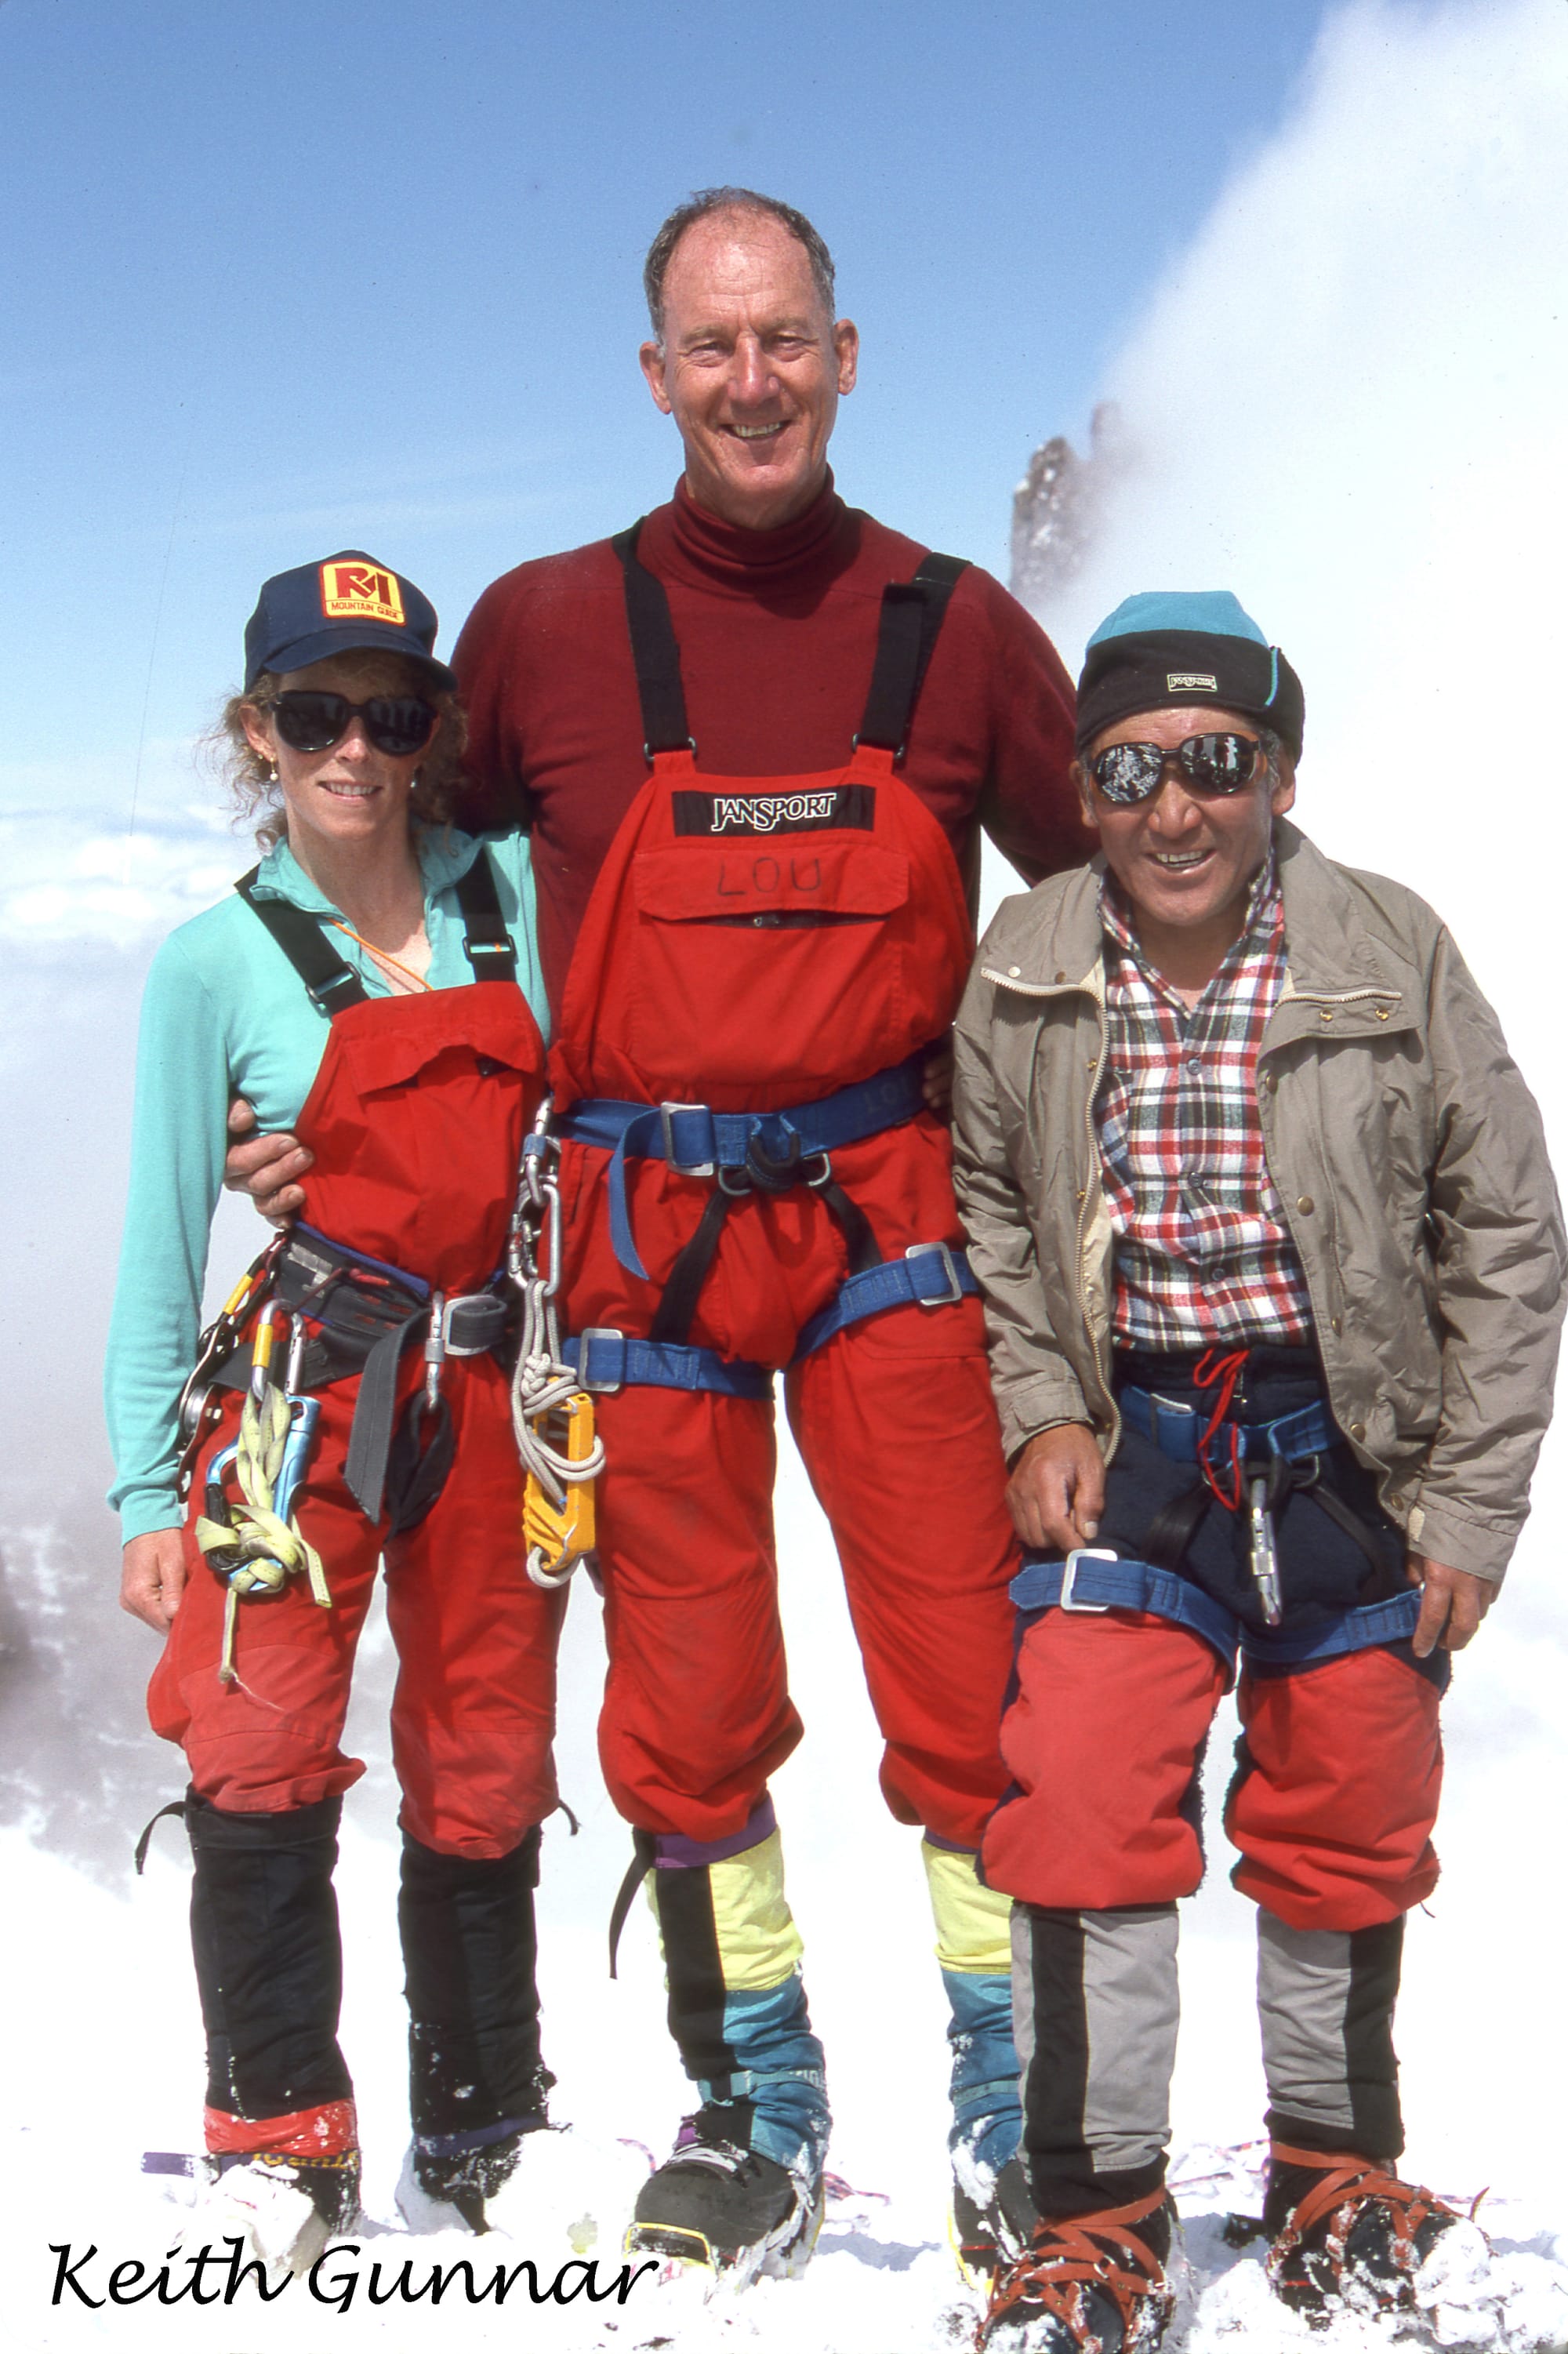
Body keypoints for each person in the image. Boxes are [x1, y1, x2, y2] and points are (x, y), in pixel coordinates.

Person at [224, 188, 1083, 2282]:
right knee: (686, 1705)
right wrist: (293, 1099)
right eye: (713, 345)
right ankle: (759, 2098)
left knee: (972, 1679)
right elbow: (407, 887)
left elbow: (1108, 893)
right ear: (655, 373)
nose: (752, 381)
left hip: (890, 1222)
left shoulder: (957, 626)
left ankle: (1017, 2100)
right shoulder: (541, 630)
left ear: (845, 357)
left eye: (785, 339)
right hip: (638, 1239)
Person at [951, 590, 1566, 2350]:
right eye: (1130, 768)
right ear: (1083, 786)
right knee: (1078, 1795)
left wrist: (1469, 1507)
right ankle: (1096, 2216)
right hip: (1132, 1436)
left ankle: (1331, 2174)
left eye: (1216, 761)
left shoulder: (1389, 944)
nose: (1175, 807)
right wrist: (1037, 1409)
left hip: (1349, 1443)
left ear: (1280, 773)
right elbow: (993, 1203)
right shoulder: (1026, 955)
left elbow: (1507, 1232)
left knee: (1351, 1801)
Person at [106, 553, 564, 2269]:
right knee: (256, 1736)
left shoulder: (512, 891)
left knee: (487, 1746)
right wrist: (143, 1495)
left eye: (390, 713)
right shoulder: (210, 966)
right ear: (260, 731)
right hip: (304, 1394)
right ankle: (280, 2132)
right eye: (315, 714)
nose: (354, 747)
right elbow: (161, 1238)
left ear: (431, 728)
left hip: (495, 1375)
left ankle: (484, 2122)